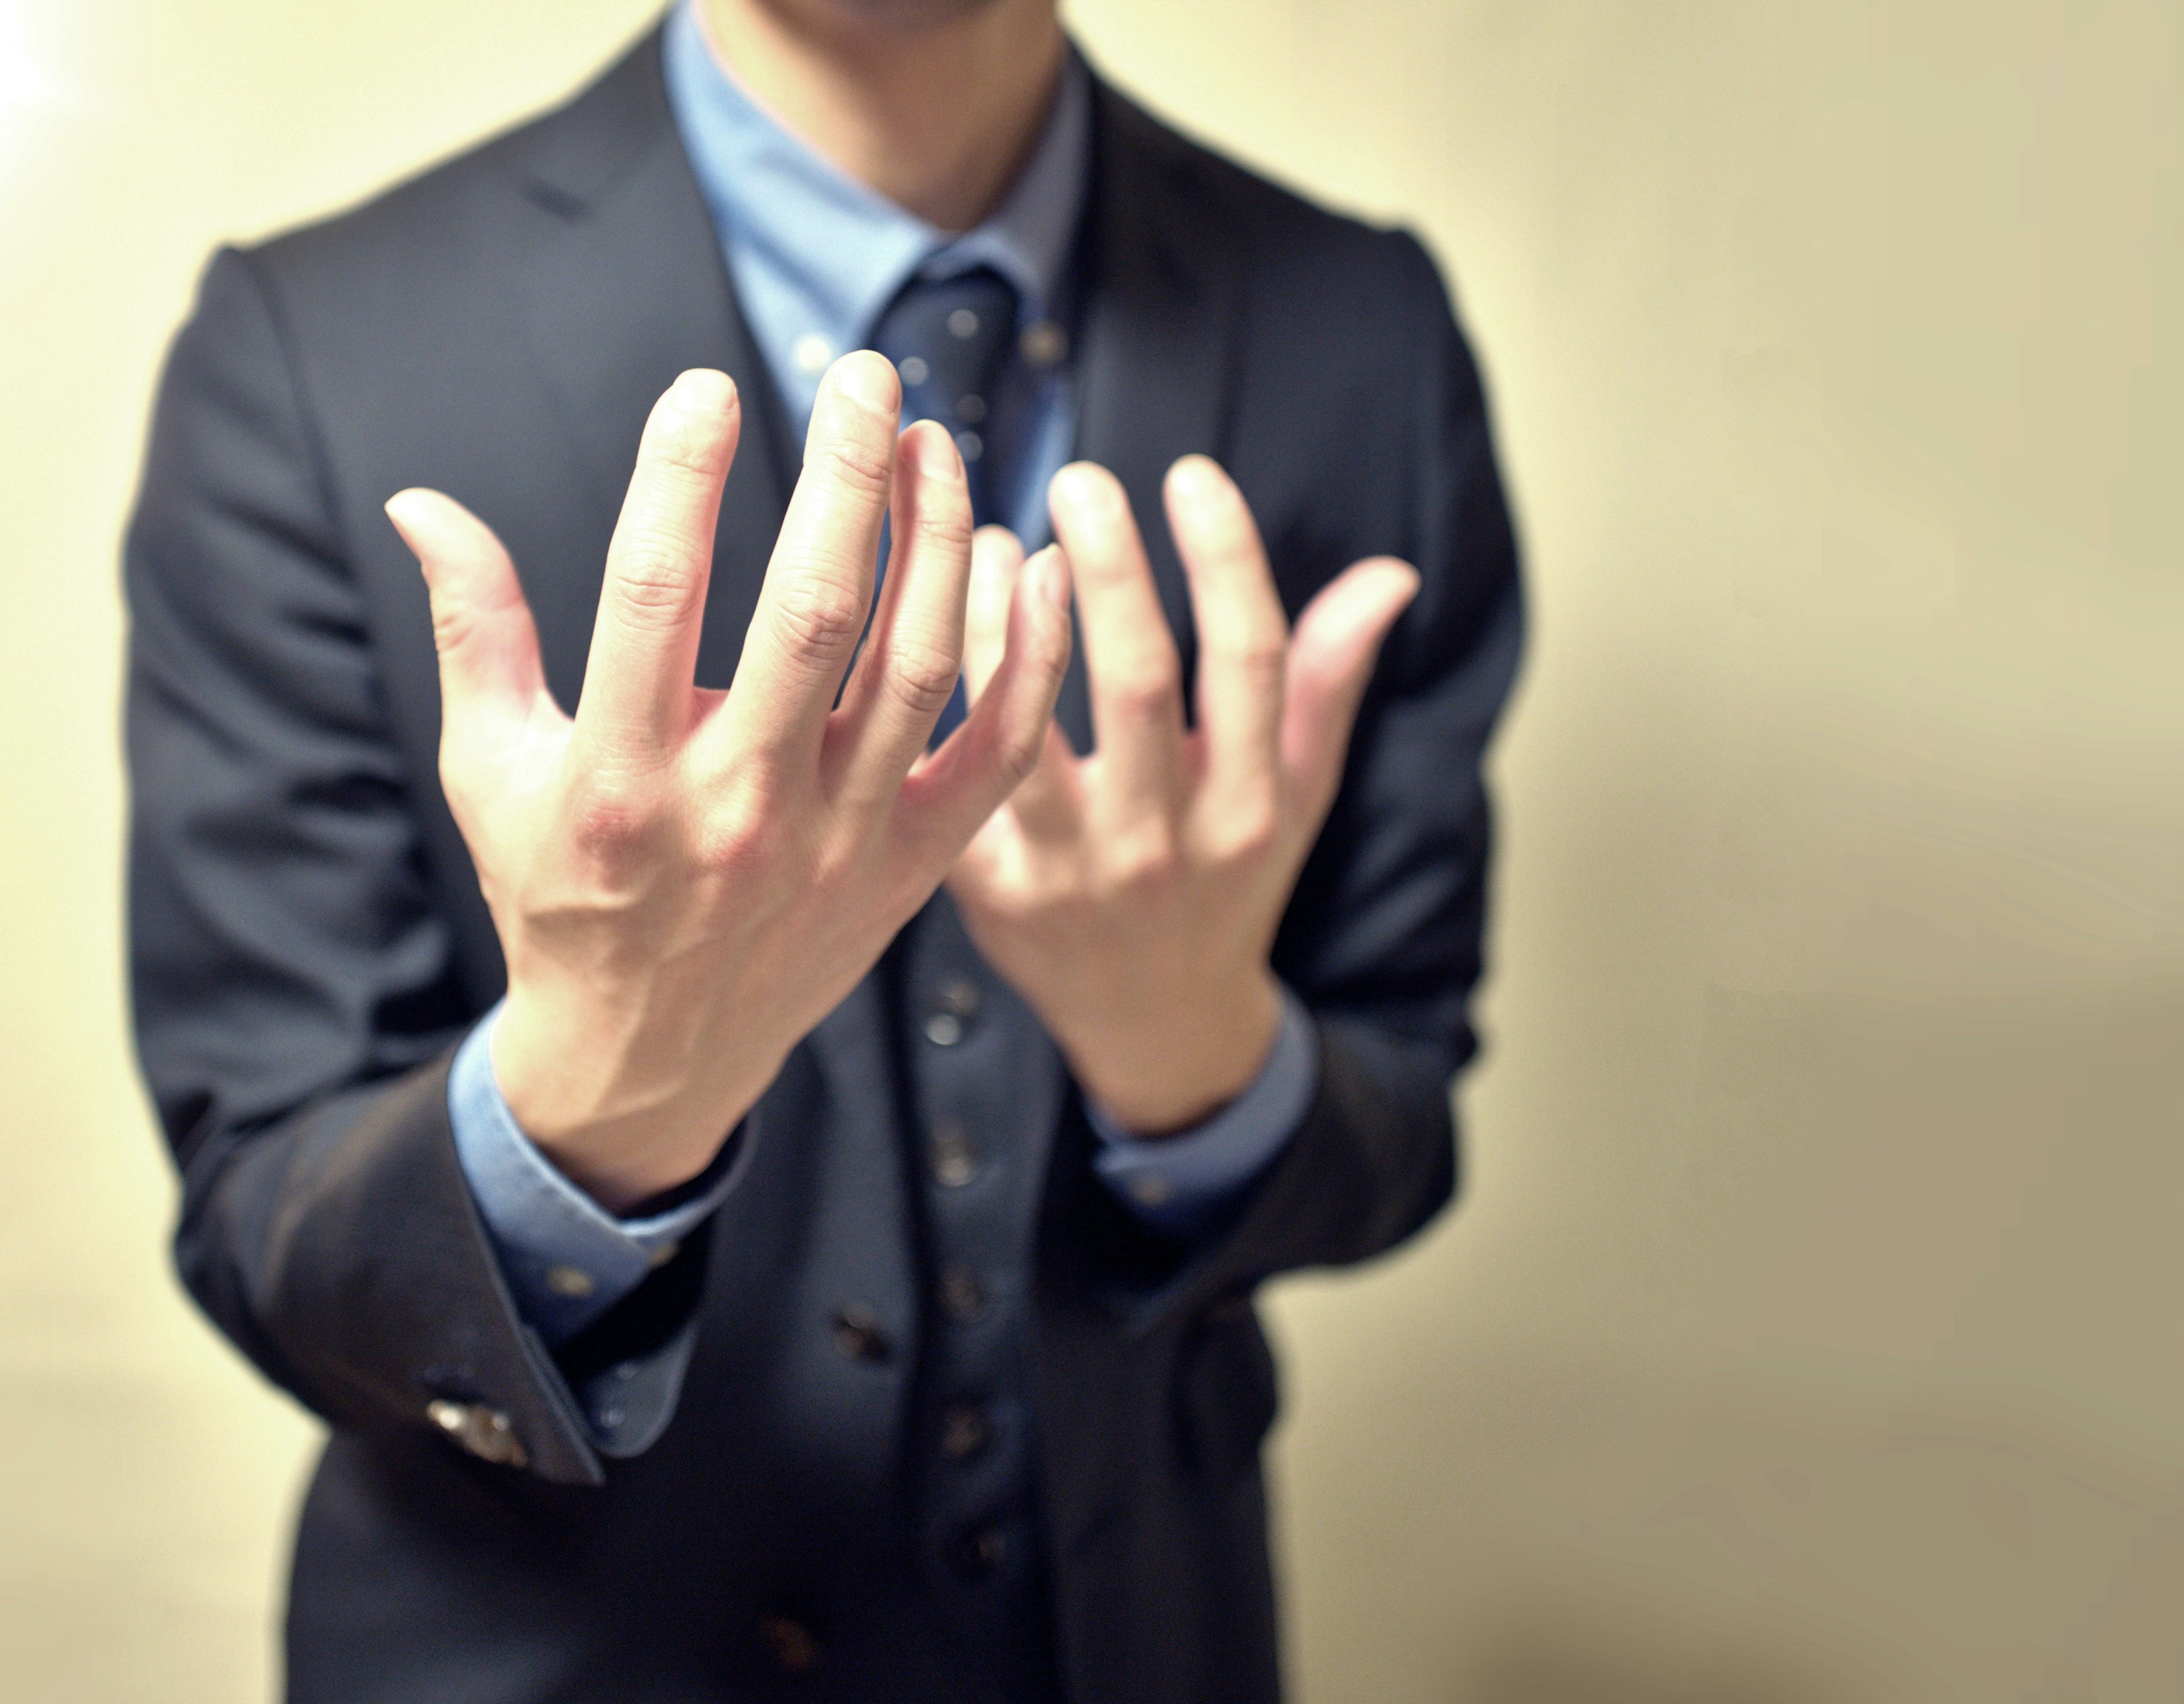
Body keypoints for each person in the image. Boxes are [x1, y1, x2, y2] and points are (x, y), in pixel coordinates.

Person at [121, 0, 1522, 1698]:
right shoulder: (312, 345)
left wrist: (1196, 1059)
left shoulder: (1363, 331)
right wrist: (594, 1099)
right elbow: (266, 1225)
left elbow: (1398, 1123)